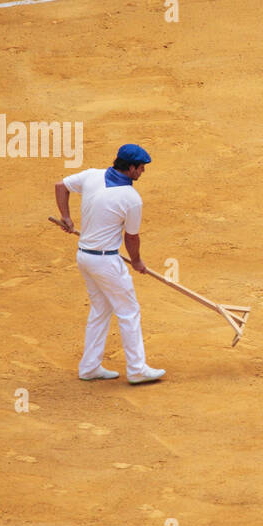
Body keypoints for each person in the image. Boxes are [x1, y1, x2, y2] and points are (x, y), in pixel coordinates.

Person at [54, 144, 165, 384]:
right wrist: (136, 261)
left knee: (101, 310)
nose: (143, 171)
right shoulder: (131, 199)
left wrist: (66, 216)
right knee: (129, 311)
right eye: (141, 167)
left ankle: (89, 367)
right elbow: (131, 237)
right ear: (130, 168)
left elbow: (61, 186)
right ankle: (137, 369)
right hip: (106, 262)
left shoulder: (92, 175)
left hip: (84, 256)